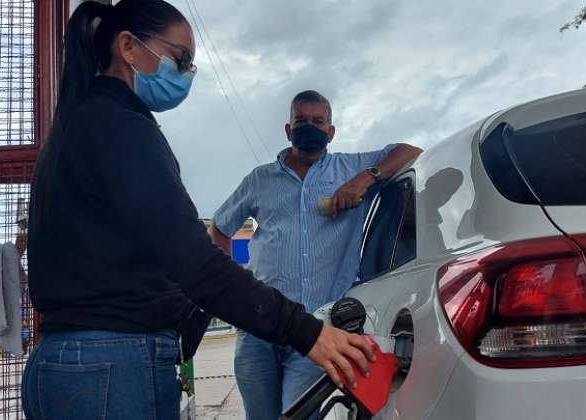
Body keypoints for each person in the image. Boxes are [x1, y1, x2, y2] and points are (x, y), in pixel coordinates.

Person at [21, 2, 374, 420]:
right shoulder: (123, 128)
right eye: (181, 59)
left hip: (64, 363)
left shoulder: (75, 126)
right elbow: (195, 261)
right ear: (129, 47)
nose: (186, 74)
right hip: (114, 366)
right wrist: (308, 332)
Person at [210, 90, 422, 419]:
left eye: (318, 121)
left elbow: (410, 151)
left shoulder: (350, 168)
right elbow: (220, 230)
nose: (309, 126)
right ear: (287, 129)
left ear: (331, 131)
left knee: (299, 414)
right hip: (258, 324)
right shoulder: (260, 180)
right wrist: (234, 286)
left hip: (317, 328)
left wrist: (366, 179)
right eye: (301, 120)